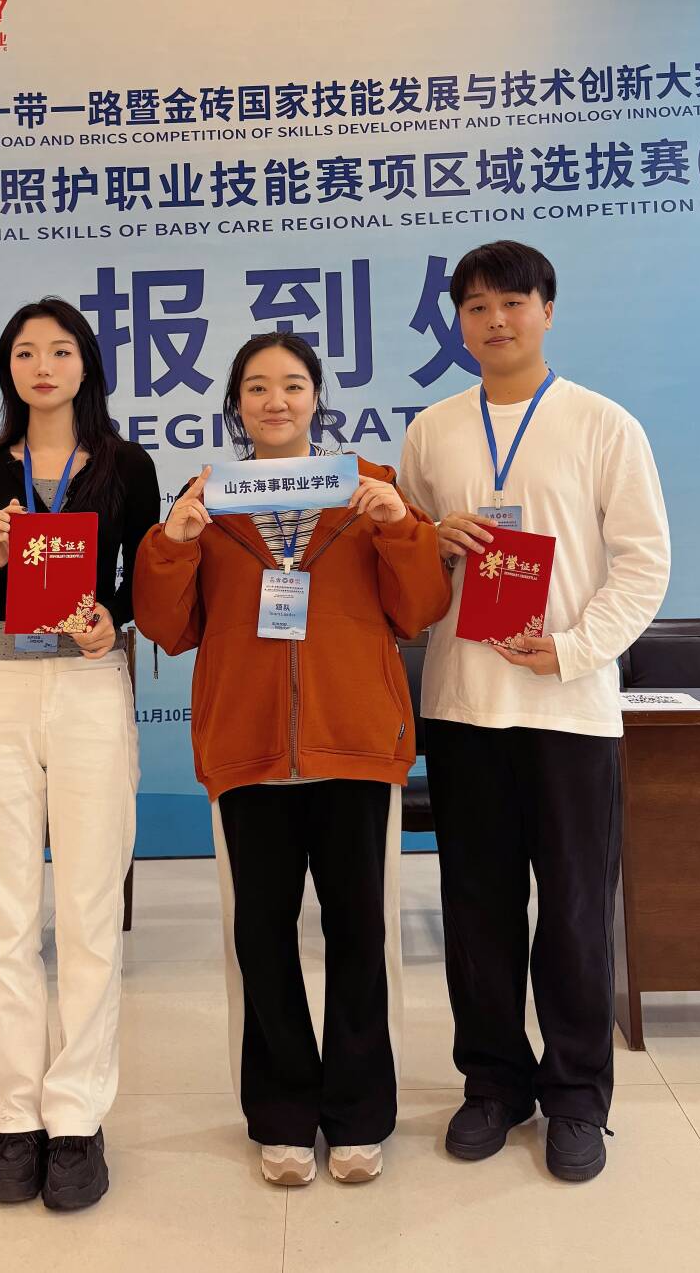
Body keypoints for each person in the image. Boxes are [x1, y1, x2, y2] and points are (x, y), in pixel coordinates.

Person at [133, 332, 450, 1187]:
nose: (276, 400)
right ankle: (280, 1113)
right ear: (236, 403)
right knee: (262, 937)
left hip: (356, 745)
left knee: (359, 934)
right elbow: (166, 626)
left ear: (317, 396)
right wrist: (175, 539)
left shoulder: (370, 486)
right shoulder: (207, 499)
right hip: (248, 748)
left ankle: (358, 1114)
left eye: (293, 384)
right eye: (257, 386)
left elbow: (420, 607)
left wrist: (399, 529)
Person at [397, 241, 670, 1183]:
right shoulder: (432, 430)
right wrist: (433, 542)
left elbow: (644, 561)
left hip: (570, 709)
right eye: (476, 306)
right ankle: (493, 1083)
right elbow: (405, 569)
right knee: (476, 908)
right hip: (464, 705)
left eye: (513, 302)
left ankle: (578, 1096)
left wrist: (575, 648)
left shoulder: (603, 424)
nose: (495, 320)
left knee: (576, 910)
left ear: (547, 309)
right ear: (458, 323)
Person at [0, 296, 159, 1211]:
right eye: (26, 352)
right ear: (8, 367)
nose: (43, 366)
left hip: (86, 684)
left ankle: (76, 1117)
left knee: (86, 909)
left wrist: (115, 618)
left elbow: (144, 583)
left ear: (86, 366)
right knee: (0, 914)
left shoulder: (125, 465)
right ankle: (16, 1119)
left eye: (61, 350)